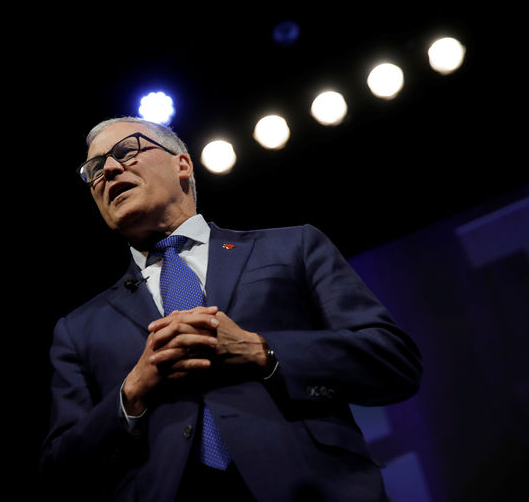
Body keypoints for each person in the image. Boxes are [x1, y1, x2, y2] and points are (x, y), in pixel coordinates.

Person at [39, 116, 423, 501]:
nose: (108, 169)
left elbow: (392, 362)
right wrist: (132, 393)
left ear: (182, 164)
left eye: (127, 151)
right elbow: (58, 471)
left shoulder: (293, 248)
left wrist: (262, 352)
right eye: (94, 168)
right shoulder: (79, 329)